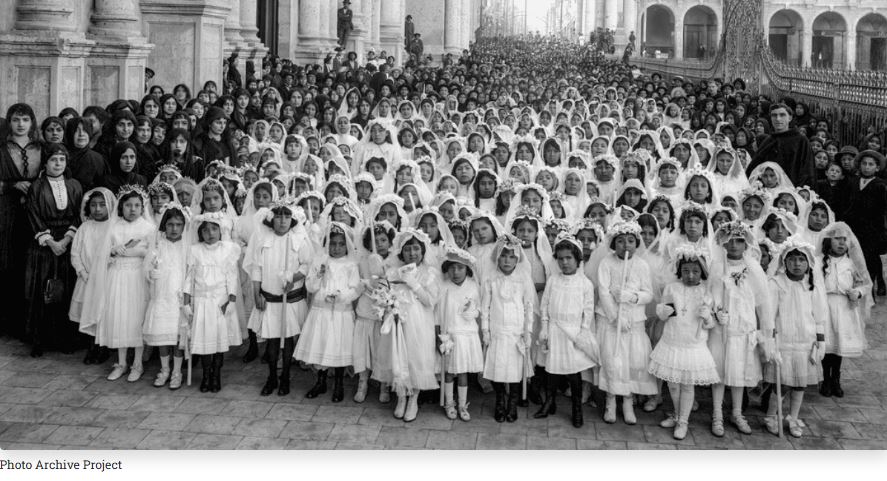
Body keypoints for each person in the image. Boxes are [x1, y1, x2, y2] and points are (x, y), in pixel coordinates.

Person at [649, 245, 720, 440]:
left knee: (687, 385)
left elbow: (711, 324)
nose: (690, 275)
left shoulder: (705, 293)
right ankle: (678, 414)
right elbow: (663, 312)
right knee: (672, 384)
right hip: (672, 340)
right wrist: (663, 312)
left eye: (695, 271)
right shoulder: (672, 288)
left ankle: (683, 421)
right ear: (680, 271)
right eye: (686, 271)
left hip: (692, 344)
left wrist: (707, 318)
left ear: (702, 273)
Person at [245, 199, 313, 397]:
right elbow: (256, 268)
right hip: (270, 297)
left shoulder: (298, 239)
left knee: (287, 339)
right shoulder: (262, 238)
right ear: (271, 218)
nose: (282, 221)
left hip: (289, 297)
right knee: (272, 340)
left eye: (286, 216)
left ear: (292, 219)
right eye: (278, 216)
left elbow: (307, 265)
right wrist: (257, 292)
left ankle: (285, 377)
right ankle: (272, 376)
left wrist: (293, 278)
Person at [763, 240, 827, 438]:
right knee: (781, 383)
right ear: (784, 261)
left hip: (805, 342)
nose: (797, 264)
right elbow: (769, 315)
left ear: (808, 263)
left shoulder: (812, 286)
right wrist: (771, 343)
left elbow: (819, 316)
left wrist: (821, 341)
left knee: (800, 383)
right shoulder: (776, 283)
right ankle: (771, 416)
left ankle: (793, 416)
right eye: (792, 259)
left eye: (801, 260)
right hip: (783, 342)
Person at [24, 143, 83, 357]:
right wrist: (51, 242)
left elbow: (79, 214)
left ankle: (65, 338)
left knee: (65, 290)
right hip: (44, 246)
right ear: (46, 162)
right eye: (53, 160)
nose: (58, 164)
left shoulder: (74, 185)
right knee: (44, 291)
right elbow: (33, 215)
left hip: (67, 242)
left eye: (62, 160)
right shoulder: (37, 186)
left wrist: (66, 240)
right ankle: (41, 339)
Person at [295, 222, 361, 402]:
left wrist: (341, 296)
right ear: (327, 243)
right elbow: (310, 286)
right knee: (321, 343)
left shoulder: (350, 265)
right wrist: (318, 275)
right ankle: (320, 381)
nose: (337, 248)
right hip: (321, 312)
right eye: (333, 244)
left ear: (347, 245)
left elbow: (356, 289)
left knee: (338, 346)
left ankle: (338, 383)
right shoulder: (320, 261)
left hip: (340, 312)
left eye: (341, 244)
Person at [537, 234, 598, 428]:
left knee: (574, 374)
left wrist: (583, 332)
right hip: (555, 329)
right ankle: (550, 402)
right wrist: (544, 328)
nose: (564, 262)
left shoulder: (585, 283)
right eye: (561, 258)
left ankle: (577, 409)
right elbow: (545, 305)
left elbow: (587, 311)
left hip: (573, 332)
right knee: (552, 370)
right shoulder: (554, 280)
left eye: (568, 258)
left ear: (578, 259)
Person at [183, 212, 242, 393]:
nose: (210, 233)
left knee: (218, 342)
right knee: (205, 341)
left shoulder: (227, 249)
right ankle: (206, 374)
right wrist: (186, 303)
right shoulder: (195, 250)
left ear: (220, 230)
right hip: (201, 301)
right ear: (200, 232)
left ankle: (216, 374)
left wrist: (231, 300)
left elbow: (232, 276)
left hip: (220, 302)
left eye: (214, 229)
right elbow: (189, 279)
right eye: (206, 230)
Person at [482, 235, 535, 423]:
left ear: (518, 259)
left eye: (512, 257)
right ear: (497, 257)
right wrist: (486, 331)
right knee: (498, 369)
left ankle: (512, 402)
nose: (507, 260)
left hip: (516, 333)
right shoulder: (491, 279)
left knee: (514, 371)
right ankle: (499, 401)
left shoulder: (522, 280)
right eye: (503, 256)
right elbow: (485, 307)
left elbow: (529, 307)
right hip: (497, 331)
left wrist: (527, 332)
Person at [819, 222, 873, 398]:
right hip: (825, 305)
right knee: (827, 345)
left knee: (838, 345)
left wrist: (857, 292)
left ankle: (836, 378)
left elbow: (866, 284)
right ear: (828, 241)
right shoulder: (820, 261)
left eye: (845, 240)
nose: (841, 243)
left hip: (844, 307)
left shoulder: (851, 263)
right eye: (837, 239)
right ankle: (825, 378)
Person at [142, 203, 190, 389]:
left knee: (177, 337)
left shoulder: (186, 248)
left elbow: (190, 272)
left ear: (184, 227)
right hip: (161, 297)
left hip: (178, 298)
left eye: (178, 225)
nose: (174, 229)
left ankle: (177, 371)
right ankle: (164, 369)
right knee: (163, 335)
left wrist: (187, 295)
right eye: (170, 224)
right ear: (164, 225)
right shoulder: (158, 245)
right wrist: (150, 272)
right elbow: (147, 268)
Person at [436, 247, 483, 421]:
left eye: (460, 268)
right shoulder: (444, 287)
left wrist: (474, 312)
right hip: (449, 335)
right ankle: (449, 403)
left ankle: (462, 404)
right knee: (449, 372)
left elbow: (478, 307)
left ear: (467, 269)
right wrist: (438, 335)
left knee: (463, 373)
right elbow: (437, 313)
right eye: (452, 268)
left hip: (467, 334)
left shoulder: (472, 286)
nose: (455, 272)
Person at [746, 103, 815, 188]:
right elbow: (755, 168)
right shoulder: (768, 141)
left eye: (782, 115)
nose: (778, 119)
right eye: (774, 115)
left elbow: (807, 171)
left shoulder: (801, 141)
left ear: (790, 118)